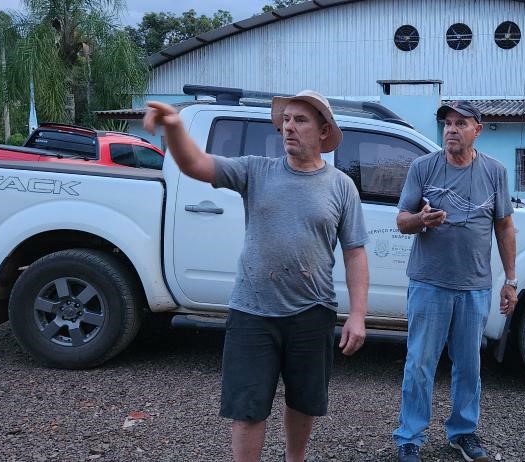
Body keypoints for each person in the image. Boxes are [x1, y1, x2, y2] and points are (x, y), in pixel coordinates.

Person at [142, 90, 370, 462]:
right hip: (252, 311)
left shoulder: (341, 186)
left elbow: (355, 252)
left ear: (324, 131)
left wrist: (357, 315)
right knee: (247, 407)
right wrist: (174, 128)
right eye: (286, 120)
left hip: (313, 311)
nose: (289, 127)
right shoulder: (255, 170)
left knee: (304, 401)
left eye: (300, 120)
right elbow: (196, 164)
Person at [392, 101, 518, 462]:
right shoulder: (423, 167)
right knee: (420, 362)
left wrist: (510, 279)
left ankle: (462, 432)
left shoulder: (494, 171)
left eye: (461, 123)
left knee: (468, 365)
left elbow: (504, 226)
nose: (451, 129)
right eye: (448, 123)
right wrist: (421, 220)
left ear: (477, 130)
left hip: (474, 286)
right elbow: (401, 221)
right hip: (429, 282)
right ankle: (410, 436)